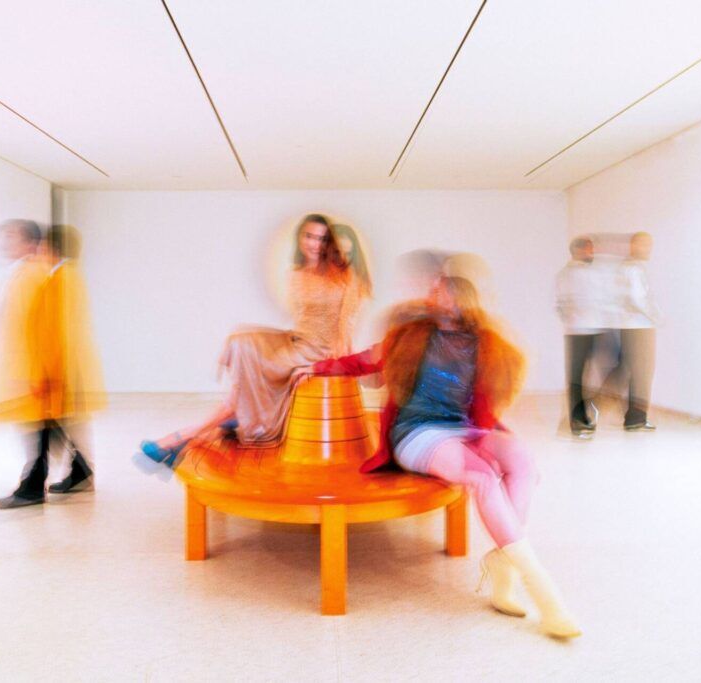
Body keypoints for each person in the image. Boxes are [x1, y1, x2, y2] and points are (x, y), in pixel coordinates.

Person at [309, 276, 581, 639]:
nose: (430, 294)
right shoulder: (411, 335)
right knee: (481, 477)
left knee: (522, 461)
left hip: (463, 430)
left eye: (439, 289)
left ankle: (503, 567)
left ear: (459, 298)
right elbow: (362, 361)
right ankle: (546, 598)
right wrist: (313, 368)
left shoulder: (484, 343)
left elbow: (497, 390)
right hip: (417, 432)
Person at [137, 214, 368, 467]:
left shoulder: (345, 276)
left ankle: (181, 438)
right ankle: (196, 435)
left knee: (246, 384)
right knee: (241, 340)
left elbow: (346, 325)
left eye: (322, 239)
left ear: (329, 244)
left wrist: (327, 365)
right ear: (300, 237)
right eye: (309, 236)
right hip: (298, 340)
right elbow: (304, 321)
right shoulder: (295, 274)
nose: (314, 244)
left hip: (319, 350)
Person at [0, 224, 105, 508]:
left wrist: (40, 373)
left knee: (42, 427)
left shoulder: (53, 279)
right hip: (58, 367)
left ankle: (33, 486)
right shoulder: (62, 275)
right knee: (53, 424)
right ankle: (79, 471)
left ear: (47, 247)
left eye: (11, 237)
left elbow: (47, 330)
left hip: (52, 368)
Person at [554, 236, 607, 438]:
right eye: (588, 249)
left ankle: (582, 415)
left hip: (593, 329)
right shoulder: (567, 275)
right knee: (577, 379)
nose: (592, 253)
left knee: (590, 377)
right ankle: (577, 421)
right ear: (577, 251)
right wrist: (575, 316)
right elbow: (562, 304)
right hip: (577, 331)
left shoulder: (590, 273)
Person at [617, 231, 658, 430]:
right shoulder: (633, 269)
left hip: (631, 326)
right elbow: (638, 298)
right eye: (644, 244)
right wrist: (655, 316)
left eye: (649, 245)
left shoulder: (629, 268)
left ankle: (634, 417)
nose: (648, 249)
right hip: (639, 327)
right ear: (633, 246)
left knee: (635, 373)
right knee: (642, 374)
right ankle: (636, 419)